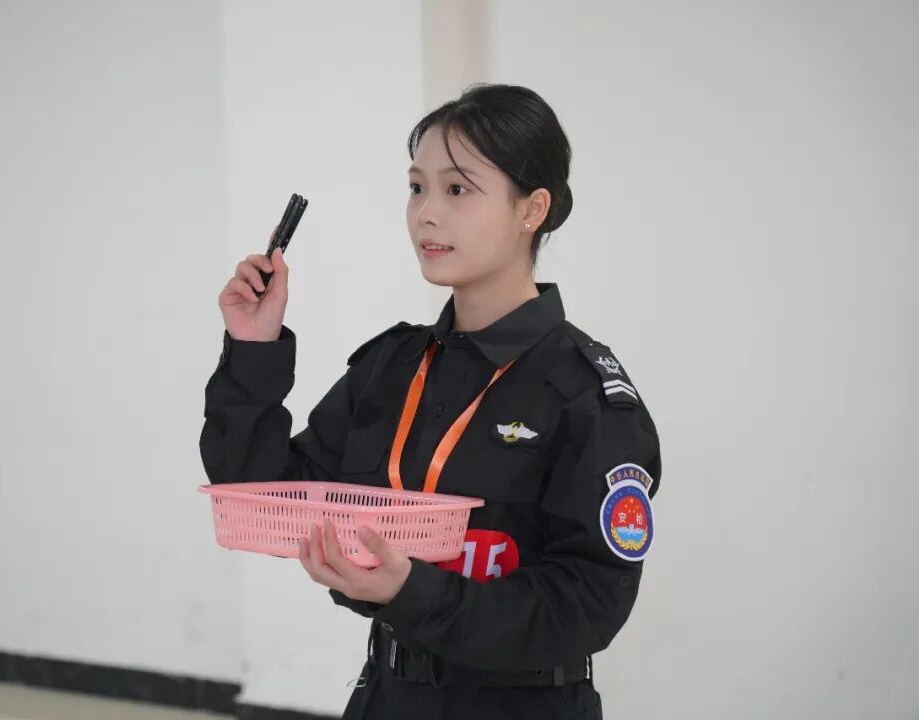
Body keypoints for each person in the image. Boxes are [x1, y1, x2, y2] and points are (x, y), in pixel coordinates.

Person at [200, 83, 661, 720]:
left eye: (458, 190)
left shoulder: (586, 393)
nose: (426, 214)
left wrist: (413, 591)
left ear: (532, 210)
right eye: (417, 188)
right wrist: (255, 348)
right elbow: (260, 497)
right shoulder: (392, 368)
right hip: (387, 697)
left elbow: (586, 607)